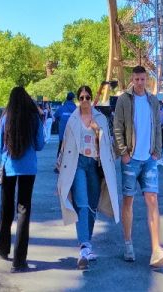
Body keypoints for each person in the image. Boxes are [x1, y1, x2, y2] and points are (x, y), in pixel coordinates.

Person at [112, 65, 163, 268]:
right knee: (128, 201)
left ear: (147, 80)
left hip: (149, 160)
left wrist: (157, 151)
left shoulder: (153, 101)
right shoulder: (123, 100)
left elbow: (157, 126)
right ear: (132, 79)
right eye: (136, 79)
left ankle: (156, 248)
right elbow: (117, 126)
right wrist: (123, 153)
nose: (139, 83)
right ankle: (128, 243)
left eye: (143, 79)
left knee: (153, 200)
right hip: (131, 159)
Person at [56, 85, 120, 270]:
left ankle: (88, 244)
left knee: (92, 205)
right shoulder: (73, 120)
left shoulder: (100, 118)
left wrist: (97, 131)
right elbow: (65, 145)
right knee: (81, 204)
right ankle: (84, 247)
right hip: (77, 165)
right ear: (78, 99)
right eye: (81, 97)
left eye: (87, 97)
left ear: (91, 99)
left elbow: (108, 144)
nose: (84, 100)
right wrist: (60, 175)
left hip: (94, 165)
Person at [0, 86, 48, 272]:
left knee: (5, 208)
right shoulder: (34, 119)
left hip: (9, 167)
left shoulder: (5, 118)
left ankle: (3, 247)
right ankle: (19, 260)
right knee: (23, 211)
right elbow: (39, 145)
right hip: (28, 168)